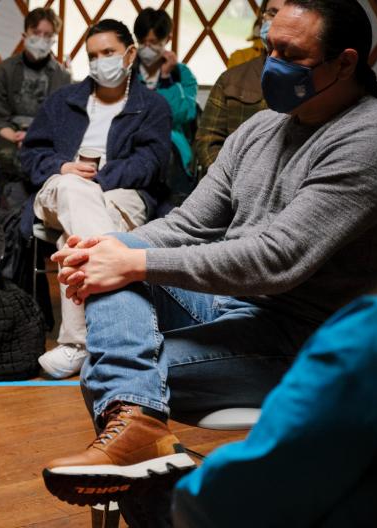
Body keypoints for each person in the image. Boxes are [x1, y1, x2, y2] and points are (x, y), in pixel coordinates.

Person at [42, 1, 377, 525]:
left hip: (299, 338)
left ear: (344, 62)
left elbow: (277, 259)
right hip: (227, 304)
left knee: (110, 371)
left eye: (291, 55)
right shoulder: (260, 130)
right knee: (111, 261)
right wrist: (103, 252)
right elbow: (186, 225)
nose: (273, 64)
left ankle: (158, 482)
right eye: (271, 48)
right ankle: (139, 435)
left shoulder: (369, 138)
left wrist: (133, 263)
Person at [20, 19, 171, 379]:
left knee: (72, 239)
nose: (100, 61)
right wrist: (62, 165)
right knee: (74, 190)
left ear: (130, 54)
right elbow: (30, 154)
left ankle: (77, 344)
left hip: (123, 195)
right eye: (93, 55)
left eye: (109, 53)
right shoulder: (63, 102)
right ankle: (123, 333)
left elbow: (150, 162)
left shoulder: (152, 107)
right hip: (60, 191)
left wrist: (100, 180)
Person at [172, 287, 377, 527]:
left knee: (131, 373)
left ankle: (139, 427)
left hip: (283, 331)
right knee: (129, 262)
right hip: (247, 304)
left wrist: (176, 494)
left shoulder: (372, 335)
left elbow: (230, 501)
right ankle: (137, 425)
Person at [0, 7, 71, 210]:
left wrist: (33, 136)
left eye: (47, 35)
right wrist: (14, 136)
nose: (41, 39)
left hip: (44, 138)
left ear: (54, 39)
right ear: (25, 35)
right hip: (7, 135)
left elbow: (63, 119)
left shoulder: (63, 76)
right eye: (36, 33)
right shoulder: (3, 71)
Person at [194, 0, 282, 178]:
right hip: (230, 183)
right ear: (261, 17)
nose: (276, 21)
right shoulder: (231, 80)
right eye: (272, 13)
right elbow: (207, 140)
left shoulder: (314, 81)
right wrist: (230, 180)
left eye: (284, 14)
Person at [133, 8, 198, 187]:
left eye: (153, 42)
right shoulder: (128, 72)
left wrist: (165, 78)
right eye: (142, 42)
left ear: (167, 39)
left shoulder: (182, 74)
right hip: (132, 141)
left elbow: (182, 115)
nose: (146, 48)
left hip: (172, 145)